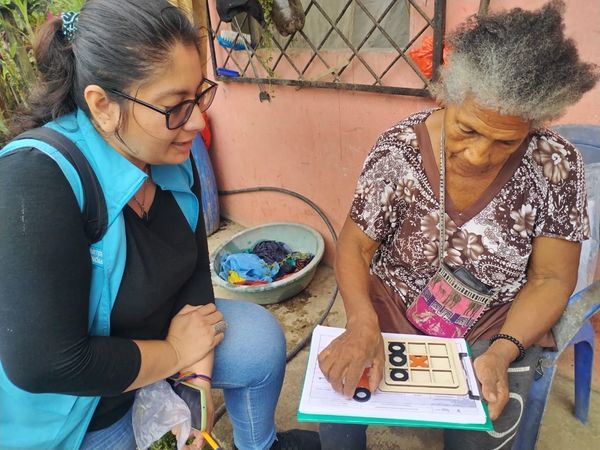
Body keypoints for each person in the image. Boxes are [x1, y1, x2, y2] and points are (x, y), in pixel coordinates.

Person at [0, 1, 321, 449]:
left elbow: (193, 278)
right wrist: (173, 353)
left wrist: (196, 383)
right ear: (103, 105)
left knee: (259, 341)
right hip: (82, 404)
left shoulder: (169, 156)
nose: (198, 121)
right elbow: (45, 364)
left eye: (199, 95)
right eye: (175, 106)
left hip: (158, 343)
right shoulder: (35, 178)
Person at [317, 2, 599, 449]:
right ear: (446, 98)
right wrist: (361, 321)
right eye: (467, 130)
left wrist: (502, 351)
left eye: (506, 141)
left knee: (483, 430)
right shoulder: (399, 150)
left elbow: (550, 278)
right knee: (338, 407)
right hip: (395, 302)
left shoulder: (556, 165)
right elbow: (355, 247)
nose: (479, 155)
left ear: (534, 124)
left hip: (495, 322)